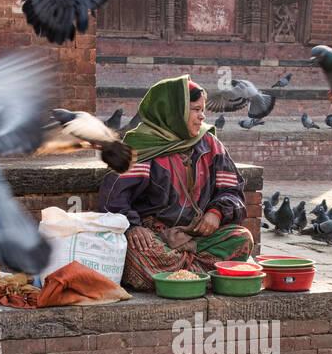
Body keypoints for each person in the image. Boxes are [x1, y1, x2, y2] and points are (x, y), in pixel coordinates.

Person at [97, 76, 253, 291]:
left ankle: (177, 274)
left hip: (197, 236)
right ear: (174, 111)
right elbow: (113, 199)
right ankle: (203, 274)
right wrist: (132, 227)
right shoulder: (142, 147)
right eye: (195, 110)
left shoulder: (209, 144)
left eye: (203, 110)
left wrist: (216, 213)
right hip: (157, 238)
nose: (202, 117)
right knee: (136, 252)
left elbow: (231, 190)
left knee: (241, 238)